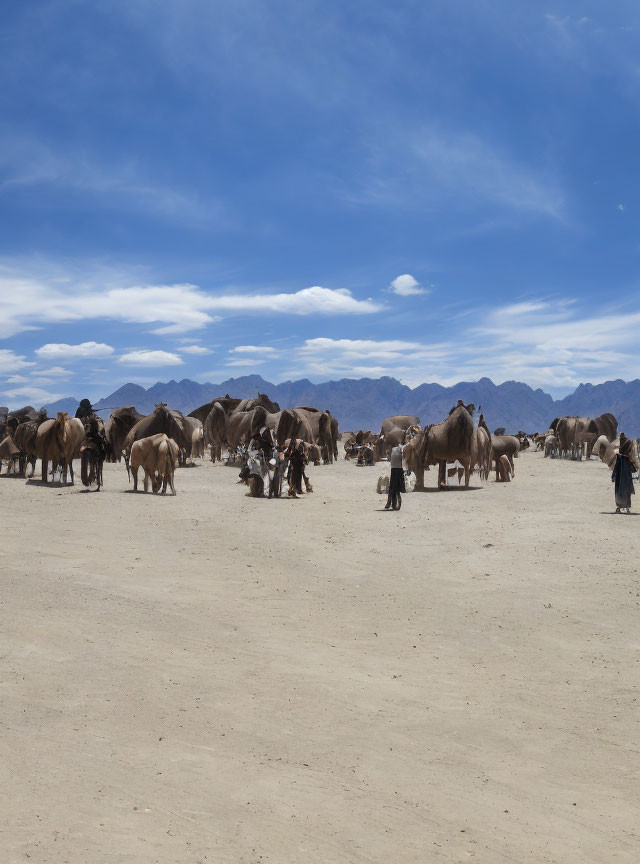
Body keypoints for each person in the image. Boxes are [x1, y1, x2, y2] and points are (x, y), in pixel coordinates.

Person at [612, 433, 638, 514]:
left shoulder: (618, 452)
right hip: (626, 472)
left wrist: (613, 475)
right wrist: (635, 467)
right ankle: (626, 507)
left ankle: (619, 507)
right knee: (626, 489)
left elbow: (615, 464)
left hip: (619, 471)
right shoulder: (629, 447)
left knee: (618, 489)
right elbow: (633, 458)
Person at [385, 444, 406, 510]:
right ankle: (391, 504)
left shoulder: (401, 448)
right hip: (394, 469)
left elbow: (404, 457)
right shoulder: (392, 449)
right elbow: (389, 459)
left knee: (395, 488)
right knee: (393, 488)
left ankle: (394, 504)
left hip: (398, 469)